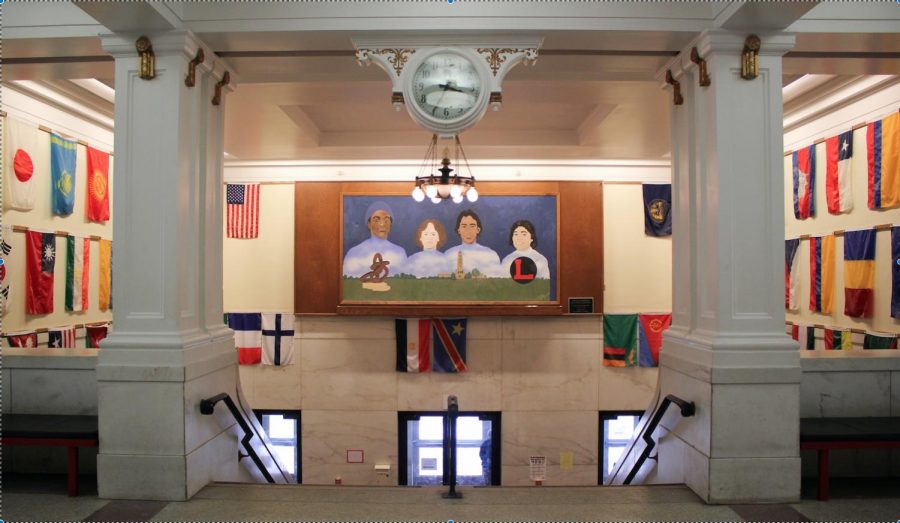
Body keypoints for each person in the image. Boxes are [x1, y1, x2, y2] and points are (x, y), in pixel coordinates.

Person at [342, 201, 408, 277]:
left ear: (391, 224)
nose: (382, 224)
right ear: (369, 224)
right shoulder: (354, 253)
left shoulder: (400, 253)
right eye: (377, 220)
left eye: (386, 220)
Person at [443, 210, 503, 277]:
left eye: (472, 226)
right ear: (459, 230)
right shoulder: (448, 255)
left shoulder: (491, 255)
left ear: (478, 230)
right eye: (464, 226)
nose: (468, 230)